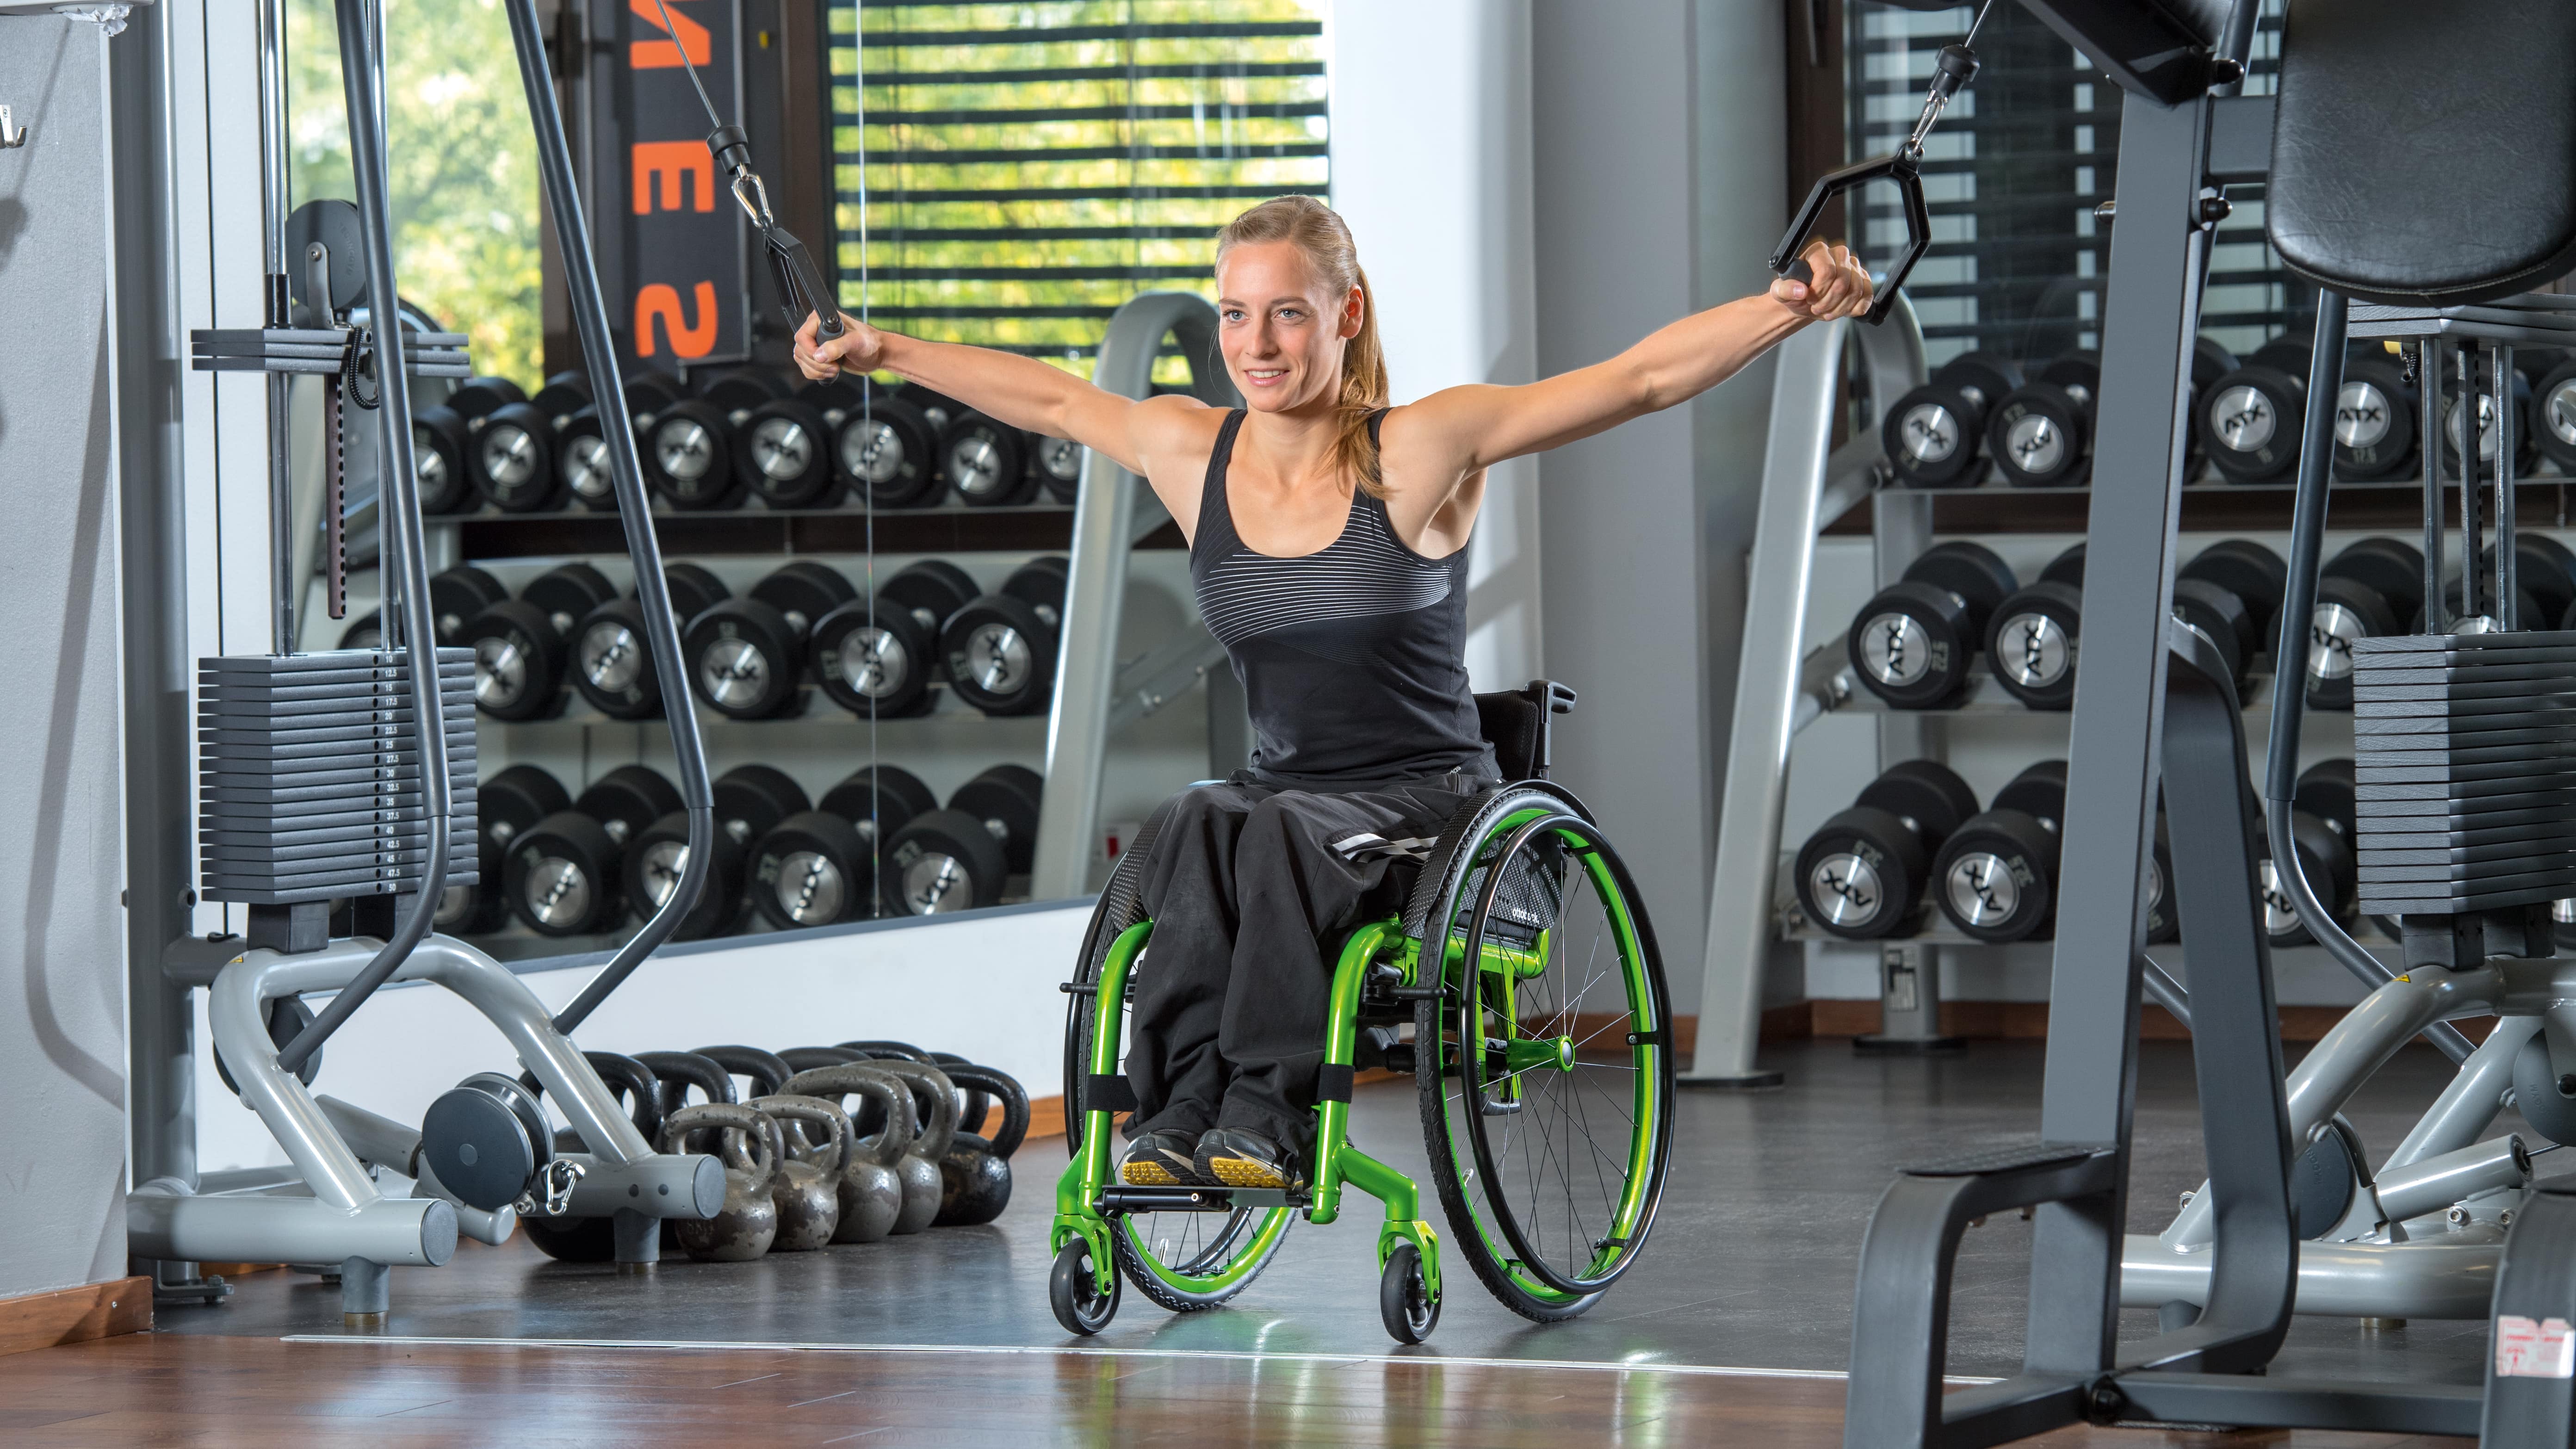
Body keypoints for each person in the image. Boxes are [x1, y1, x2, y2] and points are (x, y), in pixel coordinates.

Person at [797, 196, 1871, 1189]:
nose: (1255, 345)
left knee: (1276, 833)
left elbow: (1636, 381)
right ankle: (1174, 1117)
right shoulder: (1192, 452)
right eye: (1235, 314)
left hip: (1429, 805)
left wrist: (1783, 308)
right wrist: (882, 352)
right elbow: (1053, 398)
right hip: (1287, 795)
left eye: (1287, 316)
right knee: (1193, 820)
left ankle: (1273, 1113)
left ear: (1346, 314)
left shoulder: (1419, 447)